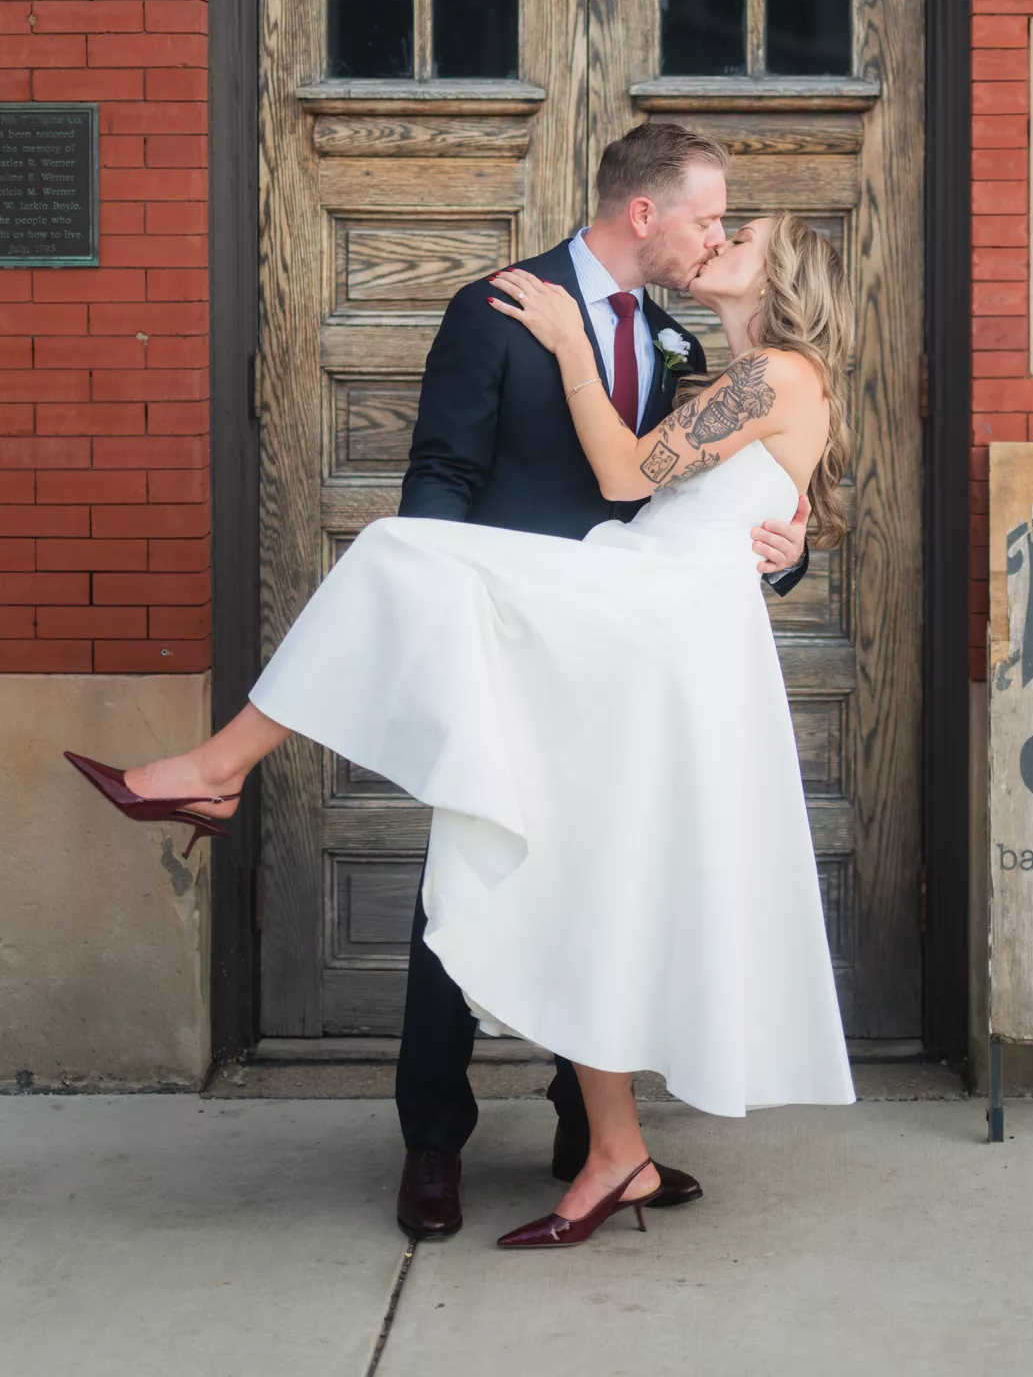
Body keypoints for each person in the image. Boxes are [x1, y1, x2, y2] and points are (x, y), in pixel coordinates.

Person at [67, 164, 855, 1250]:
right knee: (572, 868)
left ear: (784, 273)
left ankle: (216, 768)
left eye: (741, 233)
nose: (719, 238)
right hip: (598, 614)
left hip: (638, 623)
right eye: (712, 218)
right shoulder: (572, 325)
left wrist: (582, 359)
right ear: (645, 209)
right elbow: (739, 492)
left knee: (398, 565)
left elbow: (633, 481)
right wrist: (457, 594)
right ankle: (578, 1146)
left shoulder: (761, 370)